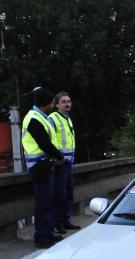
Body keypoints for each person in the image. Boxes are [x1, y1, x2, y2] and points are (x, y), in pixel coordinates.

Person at [22, 86, 65, 248]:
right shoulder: (34, 118)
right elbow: (44, 143)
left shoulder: (40, 117)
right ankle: (41, 237)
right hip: (39, 166)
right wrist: (59, 156)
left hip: (45, 165)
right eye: (52, 103)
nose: (53, 106)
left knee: (48, 201)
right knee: (43, 203)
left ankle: (47, 233)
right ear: (45, 104)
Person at [48, 92, 81, 234]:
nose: (67, 104)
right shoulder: (53, 119)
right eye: (63, 101)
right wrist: (57, 158)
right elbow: (49, 140)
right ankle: (57, 223)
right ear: (56, 105)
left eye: (69, 101)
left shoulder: (67, 118)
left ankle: (65, 220)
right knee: (59, 194)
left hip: (68, 163)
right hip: (59, 163)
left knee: (68, 193)